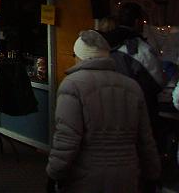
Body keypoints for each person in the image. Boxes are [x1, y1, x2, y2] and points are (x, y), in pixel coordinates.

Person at [46, 30, 160, 193]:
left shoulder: (72, 85)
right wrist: (152, 174)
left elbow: (67, 138)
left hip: (86, 178)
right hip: (127, 177)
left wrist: (54, 173)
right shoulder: (132, 87)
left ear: (79, 56)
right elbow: (145, 140)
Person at [102, 2, 164, 132]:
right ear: (137, 22)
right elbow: (157, 81)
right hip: (137, 113)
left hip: (106, 108)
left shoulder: (102, 43)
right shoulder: (141, 49)